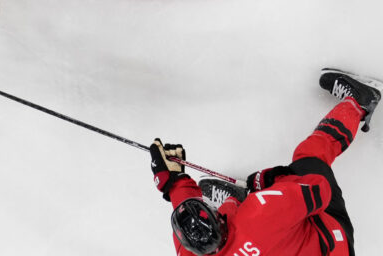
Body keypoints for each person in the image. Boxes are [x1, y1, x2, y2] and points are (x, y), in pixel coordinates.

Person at [149, 68, 382, 255]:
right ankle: (360, 101)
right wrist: (270, 181)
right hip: (332, 243)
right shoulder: (262, 214)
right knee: (309, 156)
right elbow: (318, 189)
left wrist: (175, 183)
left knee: (243, 218)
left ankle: (234, 199)